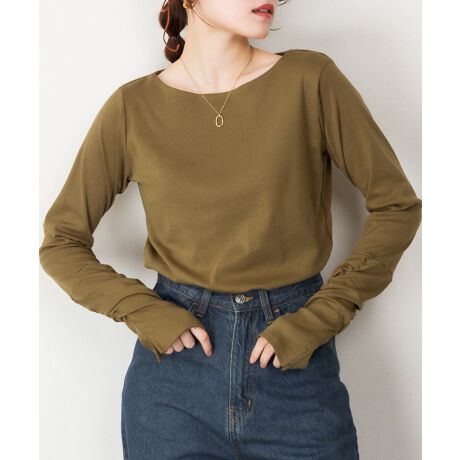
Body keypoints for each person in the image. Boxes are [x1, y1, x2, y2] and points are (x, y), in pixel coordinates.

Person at [39, 0, 422, 458]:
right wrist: (144, 311)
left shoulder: (311, 80)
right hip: (173, 382)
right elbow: (61, 242)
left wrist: (321, 316)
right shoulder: (133, 108)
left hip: (294, 365)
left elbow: (396, 206)